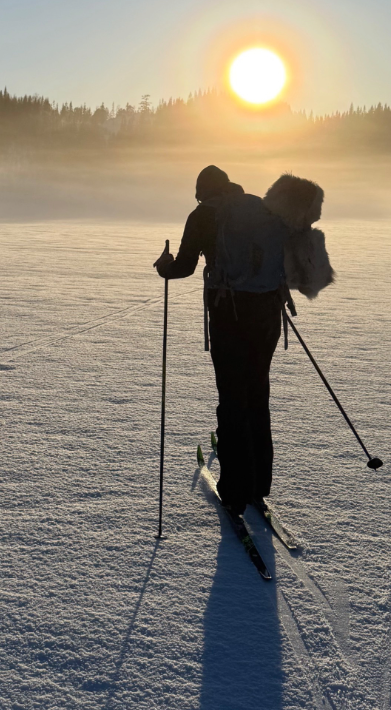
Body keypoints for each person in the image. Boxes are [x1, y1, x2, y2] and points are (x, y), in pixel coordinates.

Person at [154, 165, 287, 518]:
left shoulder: (202, 215)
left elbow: (183, 267)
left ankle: (236, 491)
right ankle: (259, 484)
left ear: (203, 192)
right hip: (267, 311)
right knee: (257, 392)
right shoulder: (259, 208)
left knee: (232, 397)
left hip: (229, 313)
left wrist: (163, 266)